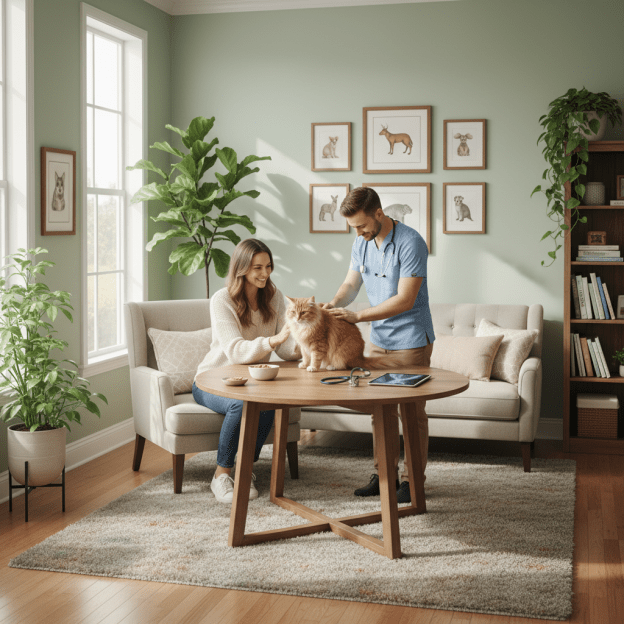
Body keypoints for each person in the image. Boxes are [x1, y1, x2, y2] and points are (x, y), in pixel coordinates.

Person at [322, 187, 435, 504]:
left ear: (379, 214)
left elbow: (405, 299)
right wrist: (333, 306)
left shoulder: (411, 243)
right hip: (380, 341)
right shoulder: (361, 242)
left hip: (411, 340)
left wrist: (356, 316)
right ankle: (384, 475)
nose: (357, 233)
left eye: (361, 226)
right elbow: (350, 285)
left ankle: (412, 482)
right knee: (379, 410)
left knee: (411, 412)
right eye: (353, 228)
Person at [192, 239, 300, 504]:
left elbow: (287, 350)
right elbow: (235, 352)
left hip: (254, 380)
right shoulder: (222, 300)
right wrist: (273, 340)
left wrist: (308, 341)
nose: (265, 273)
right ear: (242, 269)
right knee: (242, 404)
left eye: (268, 266)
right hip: (213, 380)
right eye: (257, 268)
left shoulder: (273, 297)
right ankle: (221, 475)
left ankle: (245, 469)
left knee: (266, 401)